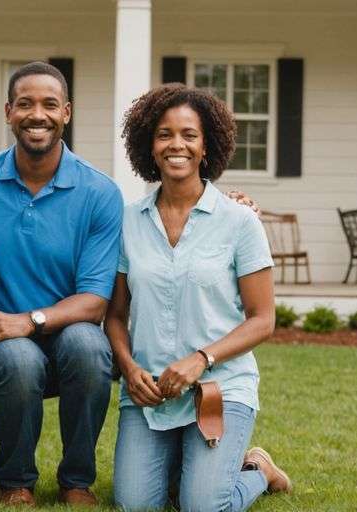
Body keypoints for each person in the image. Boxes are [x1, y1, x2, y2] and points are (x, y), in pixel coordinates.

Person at [105, 83, 293, 512]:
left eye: (189, 135)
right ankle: (185, 467)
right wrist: (129, 368)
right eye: (164, 134)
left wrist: (200, 359)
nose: (177, 145)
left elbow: (263, 319)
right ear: (148, 146)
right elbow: (116, 314)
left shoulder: (239, 222)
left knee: (205, 507)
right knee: (135, 504)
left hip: (219, 387)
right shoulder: (129, 222)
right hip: (149, 390)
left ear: (206, 145)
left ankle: (258, 471)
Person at [0, 61, 121, 507]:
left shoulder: (99, 193)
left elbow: (95, 301)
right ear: (8, 112)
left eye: (49, 104)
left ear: (67, 113)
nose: (36, 114)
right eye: (25, 104)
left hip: (67, 347)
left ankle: (76, 480)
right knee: (20, 359)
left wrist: (30, 320)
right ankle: (15, 480)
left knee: (88, 344)